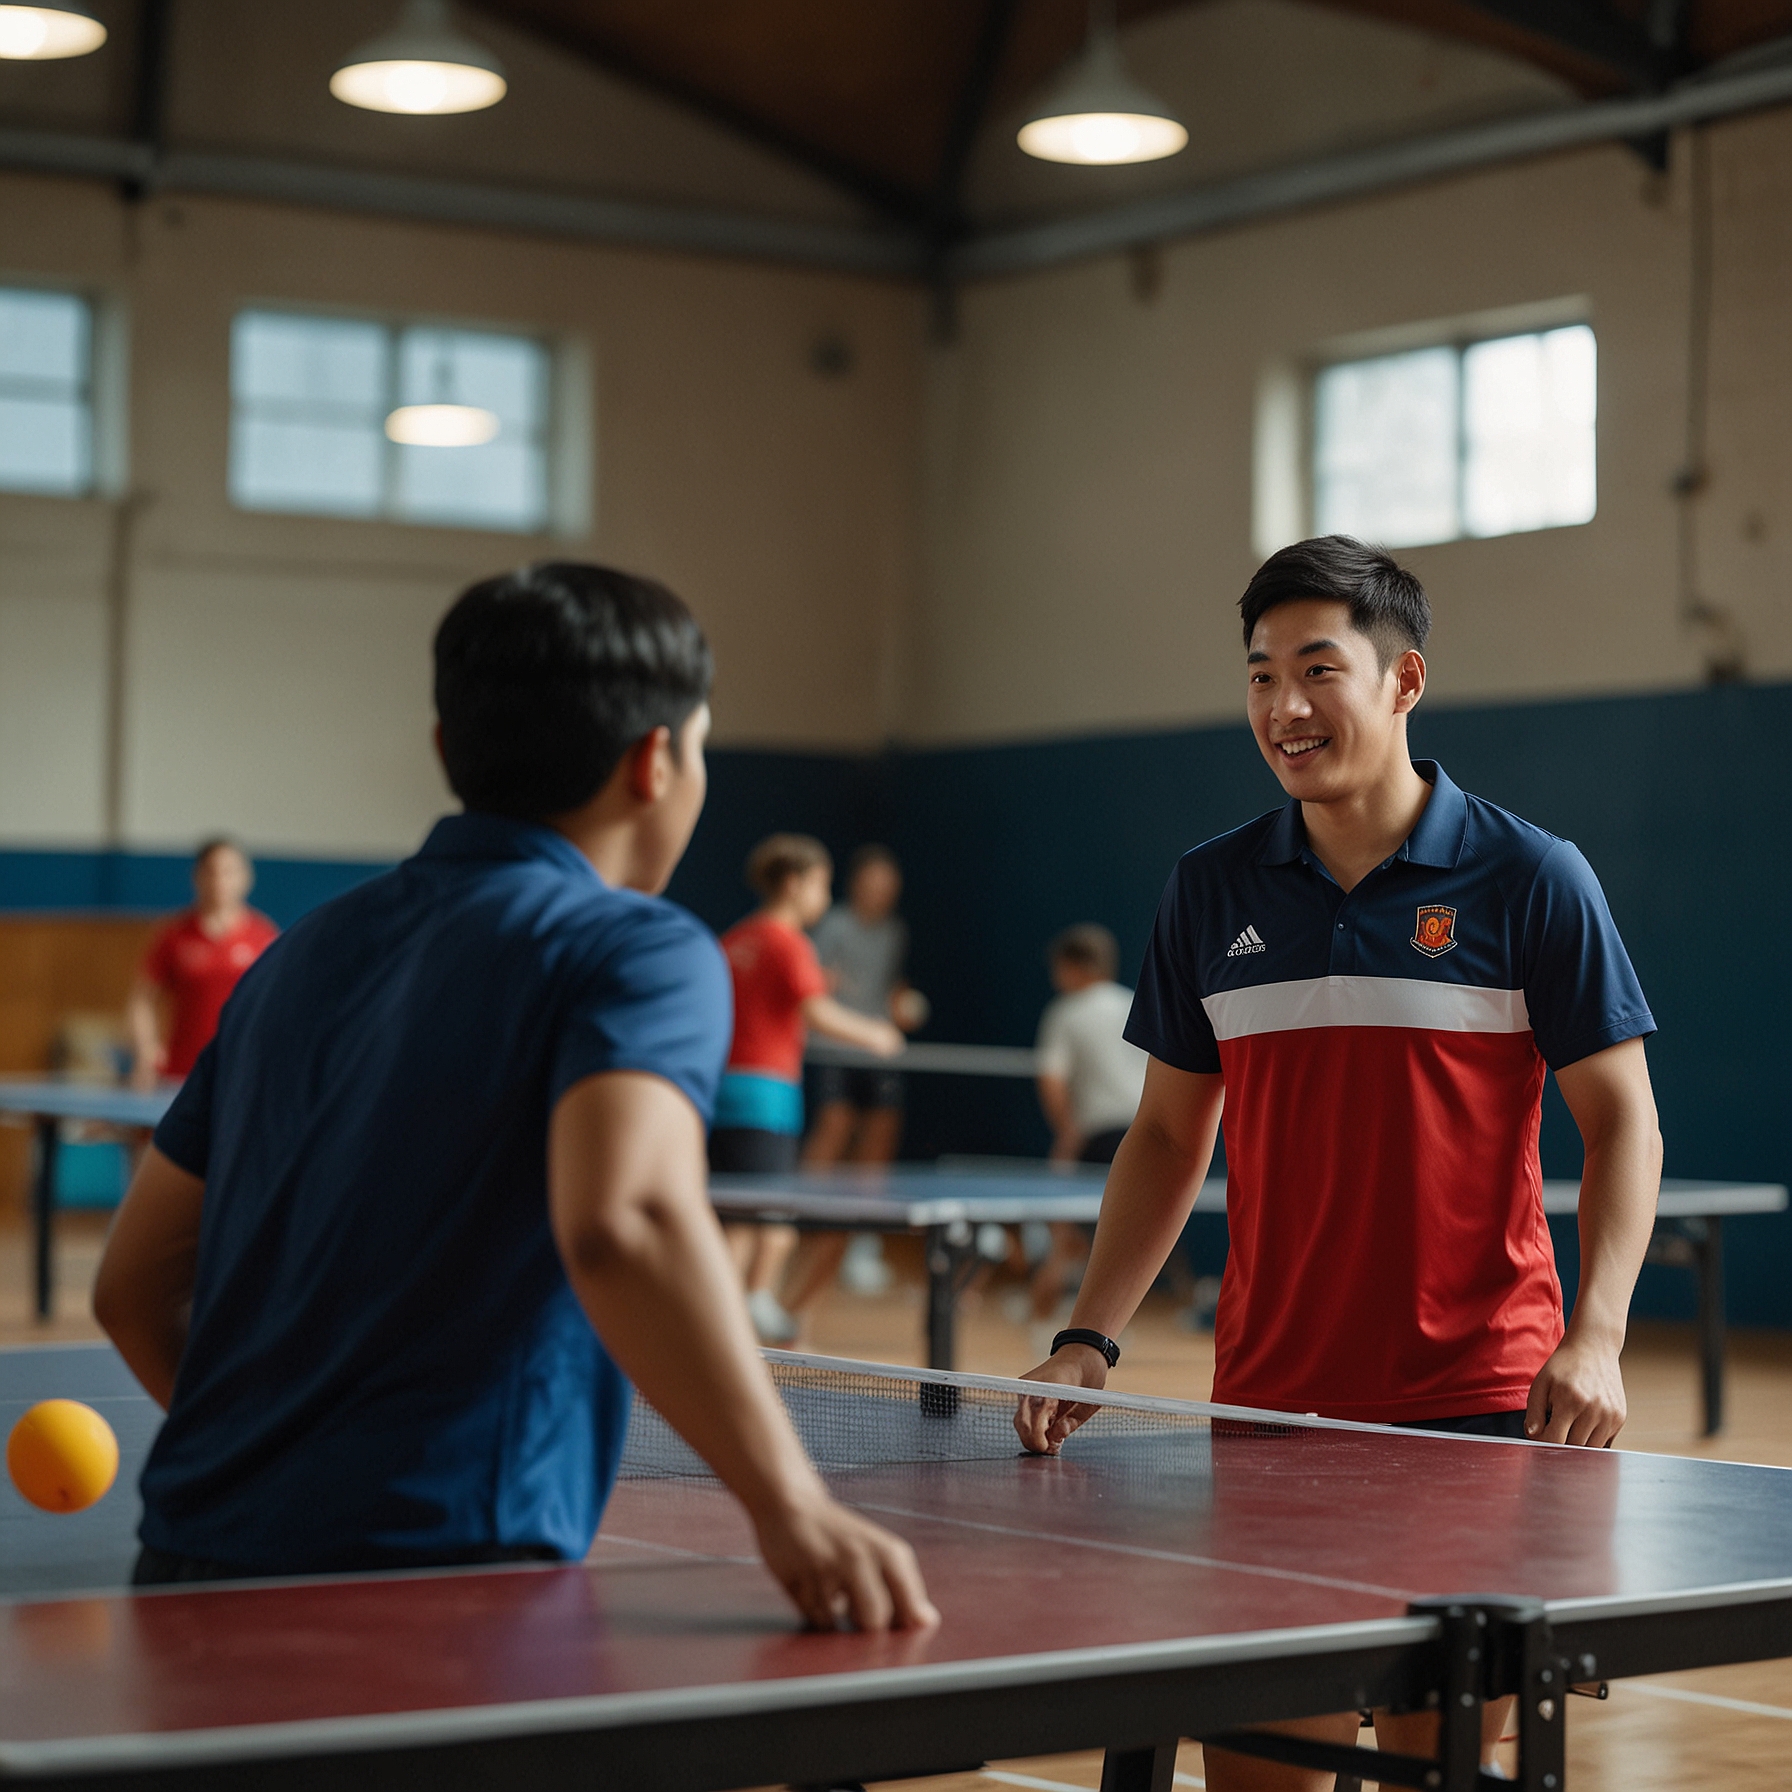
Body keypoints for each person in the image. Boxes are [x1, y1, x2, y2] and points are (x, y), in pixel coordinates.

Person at [92, 562, 934, 1634]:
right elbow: (625, 1220)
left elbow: (130, 1288)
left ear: (448, 749)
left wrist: (279, 1469)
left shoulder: (296, 957)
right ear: (657, 758)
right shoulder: (637, 949)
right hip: (440, 1584)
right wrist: (791, 1502)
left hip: (188, 1560)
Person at [1015, 536, 1661, 1787]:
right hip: (1267, 1402)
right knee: (1260, 1766)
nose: (1282, 707)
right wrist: (1089, 1334)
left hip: (1476, 1404)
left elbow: (1622, 1118)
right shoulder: (1211, 887)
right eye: (1259, 676)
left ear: (1404, 679)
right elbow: (1164, 1132)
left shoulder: (1532, 876)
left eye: (1318, 670)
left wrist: (1599, 1333)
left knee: (1448, 1764)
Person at [711, 834, 903, 1344]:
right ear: (794, 883)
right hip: (765, 1096)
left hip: (721, 1094)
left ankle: (734, 1317)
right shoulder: (787, 941)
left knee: (735, 1216)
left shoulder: (734, 940)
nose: (824, 895)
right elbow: (816, 1011)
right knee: (765, 1223)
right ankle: (730, 1325)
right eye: (820, 883)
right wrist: (877, 1035)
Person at [787, 844, 920, 1307]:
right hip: (834, 1048)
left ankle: (859, 1243)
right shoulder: (834, 924)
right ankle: (799, 1227)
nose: (881, 892)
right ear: (857, 883)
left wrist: (900, 1005)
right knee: (835, 1127)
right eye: (874, 883)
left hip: (879, 1051)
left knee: (880, 1137)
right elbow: (816, 983)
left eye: (889, 886)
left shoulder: (894, 932)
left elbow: (891, 986)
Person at [1027, 923, 1148, 1327]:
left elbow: (1052, 1080)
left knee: (1066, 1233)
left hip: (1096, 1135)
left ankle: (1042, 1319)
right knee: (1127, 1236)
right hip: (1142, 1133)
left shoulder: (1064, 1012)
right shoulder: (1135, 1003)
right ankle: (1109, 1325)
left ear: (1074, 967)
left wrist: (1067, 1132)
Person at [127, 840, 279, 1089]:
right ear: (197, 876)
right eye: (211, 871)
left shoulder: (264, 936)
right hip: (181, 1074)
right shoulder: (174, 935)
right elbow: (141, 999)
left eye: (229, 871)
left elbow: (280, 1003)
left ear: (246, 878)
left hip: (242, 1072)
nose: (220, 880)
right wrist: (146, 1051)